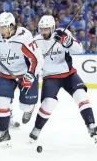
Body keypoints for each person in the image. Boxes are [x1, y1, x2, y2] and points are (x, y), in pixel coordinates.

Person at [29, 15, 97, 143]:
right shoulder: (36, 41)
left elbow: (80, 49)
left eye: (47, 29)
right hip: (50, 76)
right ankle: (36, 129)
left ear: (53, 28)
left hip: (68, 74)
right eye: (42, 29)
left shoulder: (63, 33)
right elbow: (30, 58)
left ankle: (91, 126)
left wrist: (68, 42)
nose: (44, 32)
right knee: (49, 103)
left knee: (81, 95)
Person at [0, 12, 43, 146]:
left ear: (11, 26)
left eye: (3, 27)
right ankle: (3, 133)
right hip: (6, 75)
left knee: (24, 106)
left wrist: (31, 75)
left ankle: (29, 109)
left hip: (25, 74)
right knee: (1, 102)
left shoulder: (24, 37)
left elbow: (37, 59)